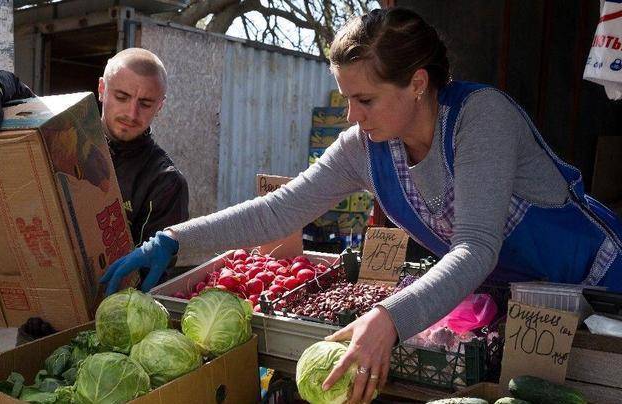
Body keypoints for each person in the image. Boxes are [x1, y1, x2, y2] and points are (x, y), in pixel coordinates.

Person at [100, 7, 622, 403]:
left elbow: (477, 246)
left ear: (418, 83)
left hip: (600, 297)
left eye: (364, 99)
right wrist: (172, 239)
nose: (351, 116)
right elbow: (280, 210)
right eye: (346, 98)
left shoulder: (479, 119)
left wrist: (388, 317)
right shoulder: (365, 147)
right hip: (517, 307)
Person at [0, 48, 189, 337]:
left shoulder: (165, 183)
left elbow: (151, 285)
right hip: (37, 323)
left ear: (161, 106)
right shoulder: (61, 132)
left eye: (145, 103)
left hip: (106, 337)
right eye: (122, 97)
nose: (131, 113)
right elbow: (10, 84)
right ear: (102, 88)